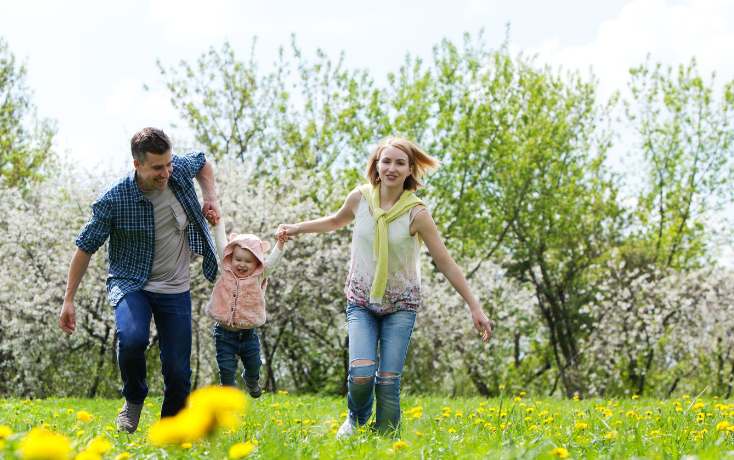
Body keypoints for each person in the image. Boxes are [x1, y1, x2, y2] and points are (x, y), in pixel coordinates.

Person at [277, 136, 492, 437]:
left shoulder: (417, 214)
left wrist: (474, 306)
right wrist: (296, 228)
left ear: (409, 171)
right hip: (362, 300)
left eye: (400, 163)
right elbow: (335, 221)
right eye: (386, 161)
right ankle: (356, 418)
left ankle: (387, 439)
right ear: (376, 166)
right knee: (362, 374)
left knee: (389, 381)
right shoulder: (360, 198)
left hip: (400, 305)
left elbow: (446, 263)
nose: (392, 168)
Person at [59, 127, 221, 433]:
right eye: (157, 168)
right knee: (132, 339)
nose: (166, 173)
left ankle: (171, 432)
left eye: (169, 164)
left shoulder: (178, 171)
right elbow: (84, 248)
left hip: (175, 289)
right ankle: (133, 398)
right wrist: (69, 300)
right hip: (132, 283)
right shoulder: (114, 199)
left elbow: (202, 162)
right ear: (138, 165)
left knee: (177, 372)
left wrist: (209, 197)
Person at [205, 220, 286, 397]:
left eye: (248, 261)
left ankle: (250, 379)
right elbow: (221, 245)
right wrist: (218, 226)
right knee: (226, 367)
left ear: (257, 263)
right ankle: (227, 396)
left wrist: (280, 243)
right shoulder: (227, 271)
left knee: (254, 363)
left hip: (248, 335)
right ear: (231, 259)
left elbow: (271, 262)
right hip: (224, 334)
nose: (242, 265)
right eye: (238, 260)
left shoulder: (259, 276)